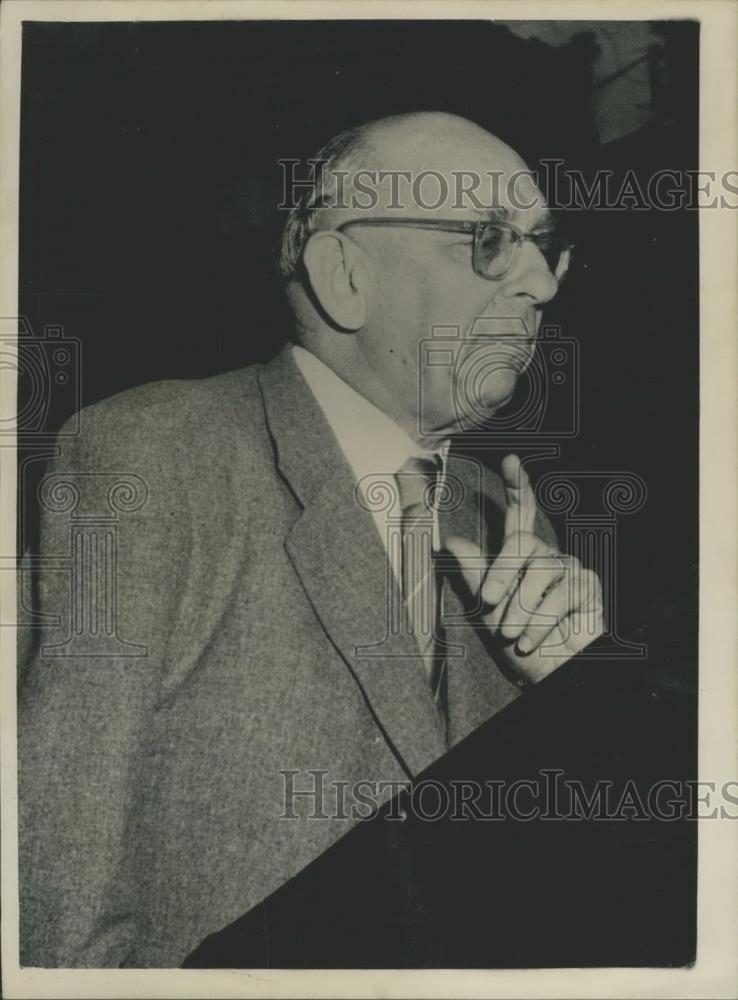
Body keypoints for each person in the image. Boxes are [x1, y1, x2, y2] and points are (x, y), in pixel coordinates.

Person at [18, 111, 603, 968]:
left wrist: (576, 699)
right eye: (488, 240)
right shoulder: (157, 453)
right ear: (344, 274)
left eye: (544, 250)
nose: (541, 288)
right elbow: (53, 868)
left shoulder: (502, 519)